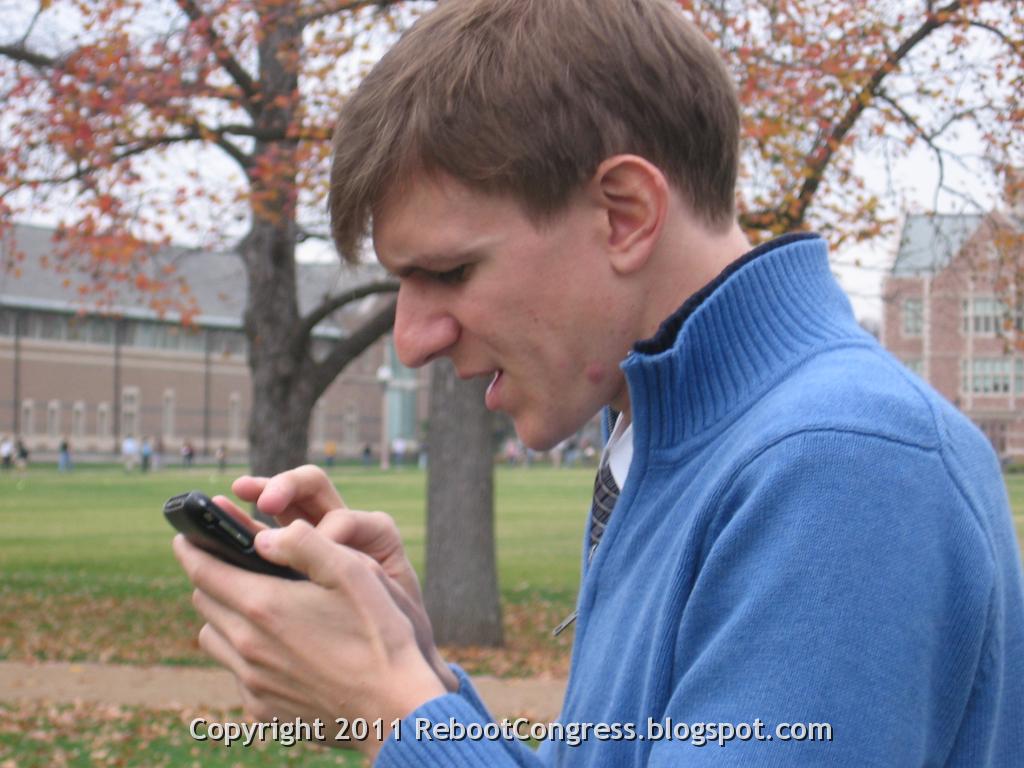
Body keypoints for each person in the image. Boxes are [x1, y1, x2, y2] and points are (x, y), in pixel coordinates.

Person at [174, 0, 1024, 765]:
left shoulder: (842, 466)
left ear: (624, 214)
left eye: (450, 270)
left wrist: (392, 713)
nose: (412, 340)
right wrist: (413, 667)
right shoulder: (677, 438)